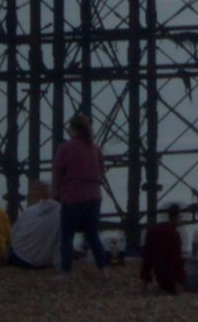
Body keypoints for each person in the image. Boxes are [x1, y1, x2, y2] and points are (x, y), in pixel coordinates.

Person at [52, 115, 111, 275]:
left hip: (73, 196)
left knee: (67, 235)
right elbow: (102, 173)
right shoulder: (95, 149)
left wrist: (56, 192)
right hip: (94, 196)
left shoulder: (65, 148)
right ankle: (102, 268)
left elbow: (58, 173)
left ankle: (65, 272)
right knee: (92, 234)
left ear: (73, 129)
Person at [9, 180, 62, 268]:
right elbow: (60, 244)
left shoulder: (30, 210)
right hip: (42, 262)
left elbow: (12, 234)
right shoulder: (63, 215)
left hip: (19, 257)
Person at [139, 204, 188, 295]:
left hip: (161, 280)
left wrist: (144, 285)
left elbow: (147, 260)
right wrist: (178, 288)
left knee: (194, 264)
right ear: (177, 217)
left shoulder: (153, 231)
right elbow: (176, 263)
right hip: (173, 283)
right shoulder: (174, 235)